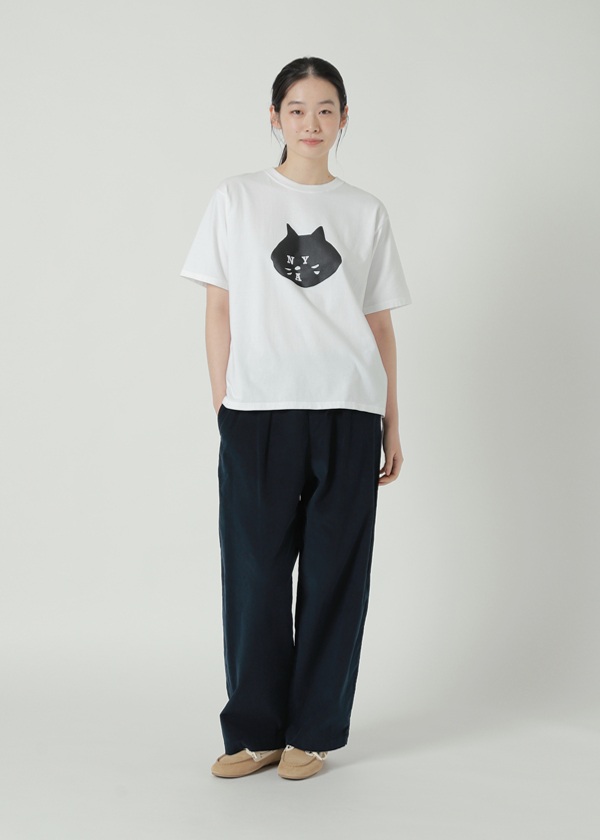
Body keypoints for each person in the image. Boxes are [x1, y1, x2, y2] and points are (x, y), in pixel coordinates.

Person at [180, 56, 412, 781]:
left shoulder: (365, 211)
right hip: (258, 413)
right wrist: (224, 402)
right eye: (298, 109)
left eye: (326, 109)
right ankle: (256, 732)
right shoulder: (237, 198)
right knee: (254, 574)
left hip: (348, 409)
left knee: (337, 576)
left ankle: (312, 731)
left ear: (344, 119)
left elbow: (379, 325)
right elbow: (218, 308)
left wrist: (391, 422)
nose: (312, 123)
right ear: (275, 117)